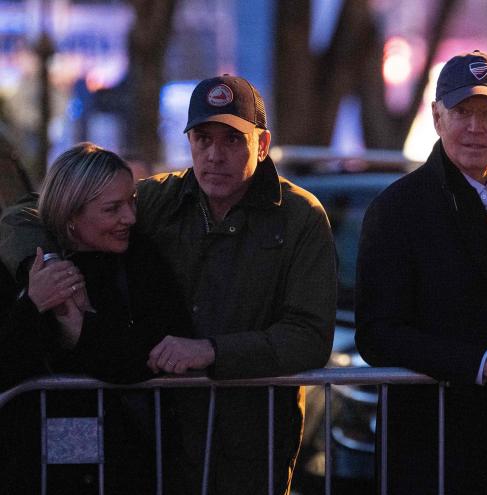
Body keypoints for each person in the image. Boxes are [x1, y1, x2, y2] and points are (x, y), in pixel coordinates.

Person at [1, 75, 337, 494]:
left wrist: (211, 352)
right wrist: (50, 271)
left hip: (249, 440)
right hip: (164, 442)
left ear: (262, 144)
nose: (215, 154)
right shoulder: (159, 199)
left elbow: (307, 336)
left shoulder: (301, 217)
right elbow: (26, 215)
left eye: (232, 139)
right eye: (202, 138)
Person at [355, 50, 487, 494]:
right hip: (432, 448)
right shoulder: (397, 208)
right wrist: (483, 364)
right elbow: (377, 334)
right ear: (436, 118)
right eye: (462, 112)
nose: (475, 126)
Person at [0, 142, 193, 494]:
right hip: (31, 470)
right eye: (112, 209)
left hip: (128, 469)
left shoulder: (142, 261)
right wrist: (34, 305)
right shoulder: (24, 265)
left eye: (132, 201)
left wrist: (82, 332)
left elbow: (164, 347)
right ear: (71, 216)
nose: (130, 218)